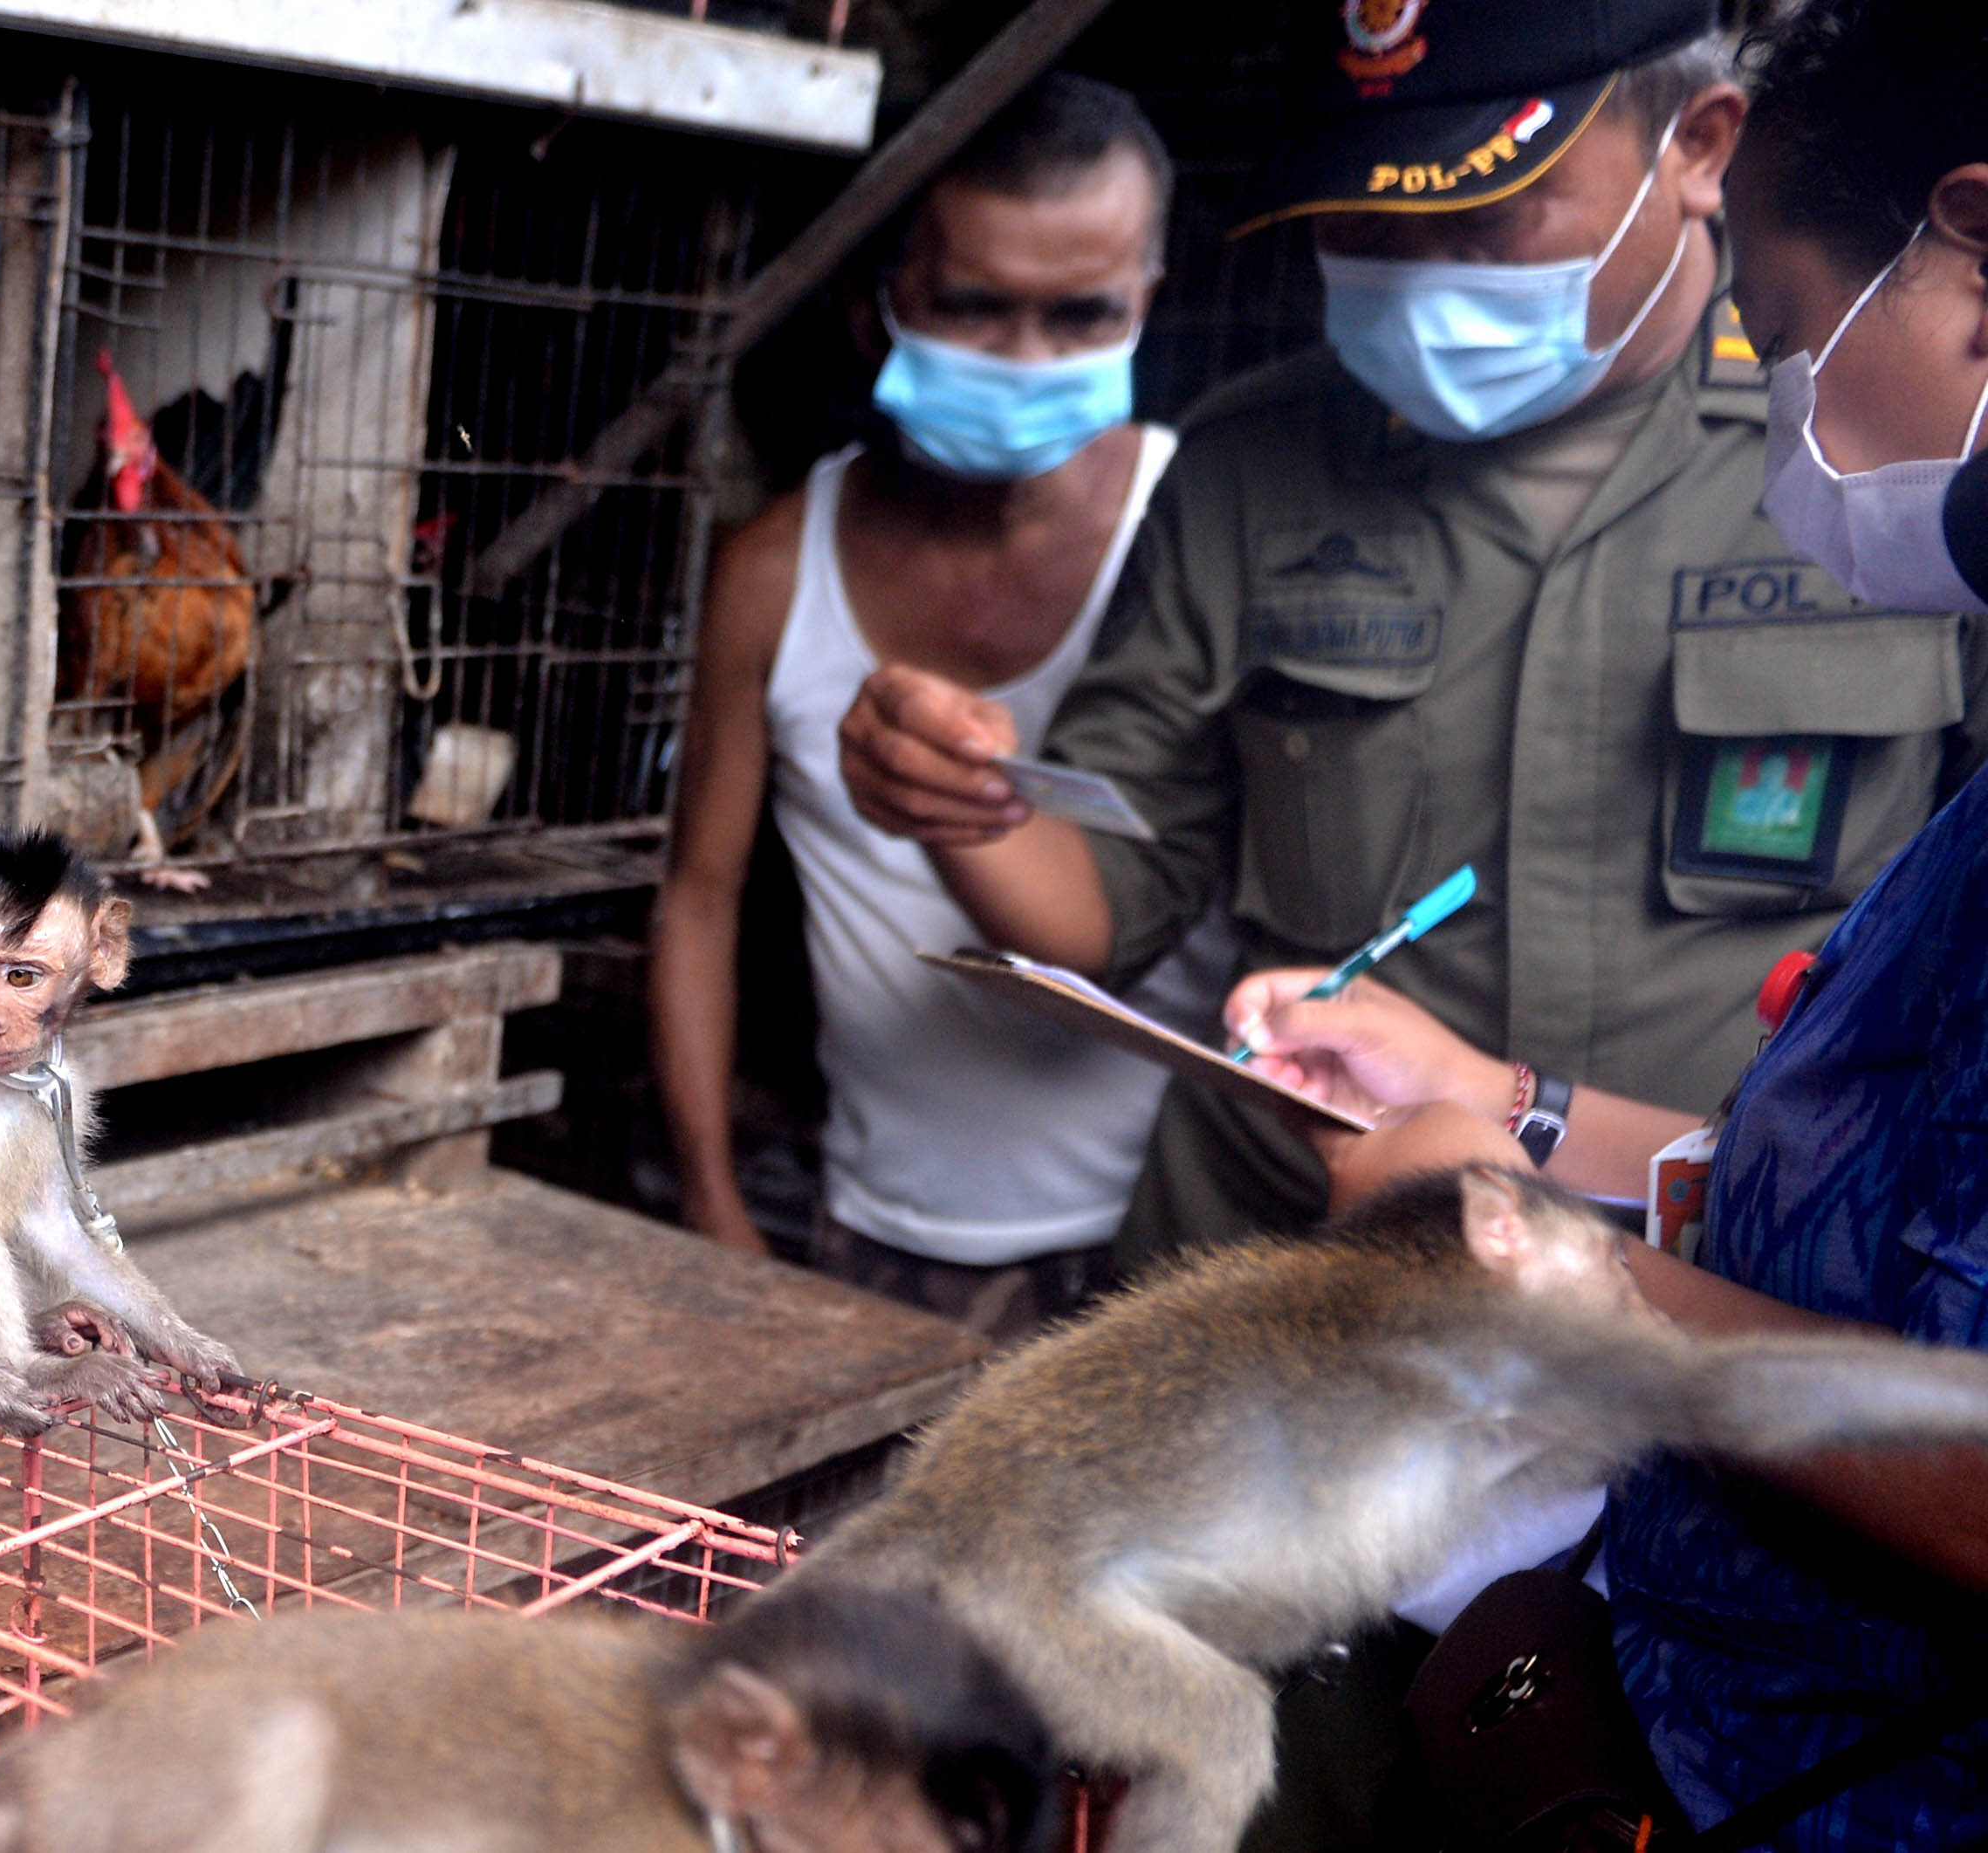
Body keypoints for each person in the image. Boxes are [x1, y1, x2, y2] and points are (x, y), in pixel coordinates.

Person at [831, 0, 1988, 1274]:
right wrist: (952, 797)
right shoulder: (1243, 468)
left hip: (1727, 1298)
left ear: (1702, 146)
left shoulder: (1889, 456)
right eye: (1359, 229)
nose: (1413, 271)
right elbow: (1107, 906)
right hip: (1287, 1279)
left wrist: (1526, 1137)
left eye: (1481, 215)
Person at [1231, 1, 1988, 1842]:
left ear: (1966, 242)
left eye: (1797, 333)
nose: (1787, 411)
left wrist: (1546, 1280)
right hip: (1688, 1716)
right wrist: (1517, 1109)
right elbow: (1876, 1207)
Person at [648, 70, 1233, 1342]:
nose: (1029, 361)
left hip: (1173, 1239)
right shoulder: (770, 573)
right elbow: (699, 894)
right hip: (870, 1236)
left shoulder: (1206, 529)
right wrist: (713, 1206)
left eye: (1081, 316)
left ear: (1147, 299)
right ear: (884, 302)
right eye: (977, 309)